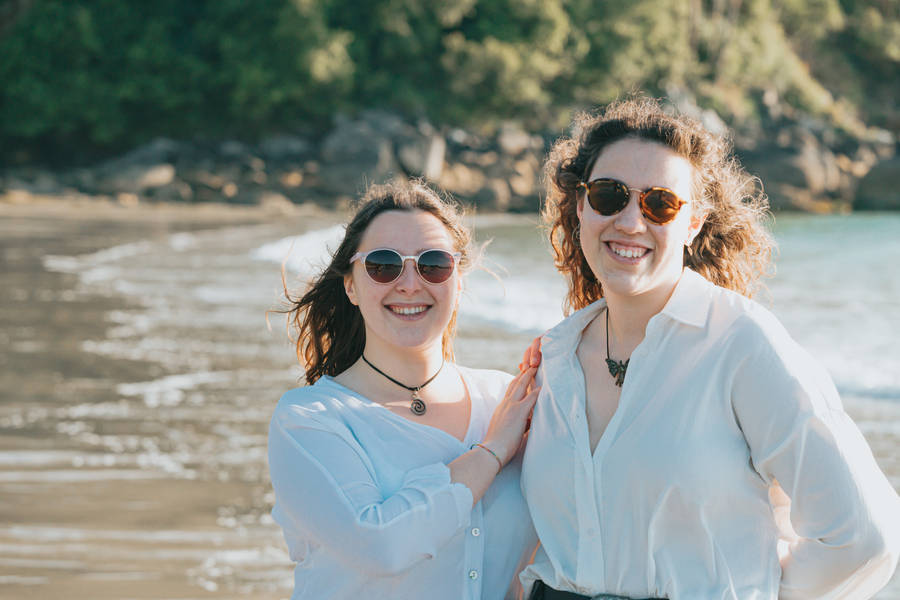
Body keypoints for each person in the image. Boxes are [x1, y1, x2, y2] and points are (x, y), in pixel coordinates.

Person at [518, 97, 900, 600]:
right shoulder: (553, 357)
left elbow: (863, 539)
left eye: (660, 204)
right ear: (581, 206)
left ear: (693, 222)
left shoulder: (741, 344)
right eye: (609, 195)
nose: (630, 222)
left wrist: (756, 590)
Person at [267, 179, 539, 600]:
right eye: (383, 265)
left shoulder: (508, 399)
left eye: (433, 264)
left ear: (459, 282)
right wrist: (491, 452)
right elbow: (379, 544)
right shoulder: (308, 420)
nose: (410, 283)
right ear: (351, 285)